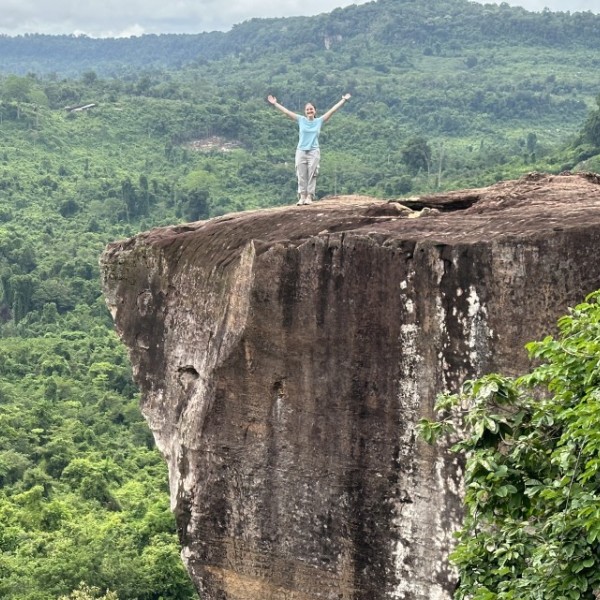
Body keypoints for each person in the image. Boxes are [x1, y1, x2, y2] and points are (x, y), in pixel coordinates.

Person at [267, 93, 351, 205]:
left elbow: (332, 111)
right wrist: (275, 104)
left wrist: (343, 100)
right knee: (301, 174)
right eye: (307, 109)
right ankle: (302, 197)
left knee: (312, 174)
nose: (309, 111)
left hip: (314, 151)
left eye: (311, 109)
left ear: (315, 111)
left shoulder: (319, 121)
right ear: (305, 112)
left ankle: (309, 197)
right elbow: (287, 112)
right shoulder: (301, 120)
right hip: (301, 151)